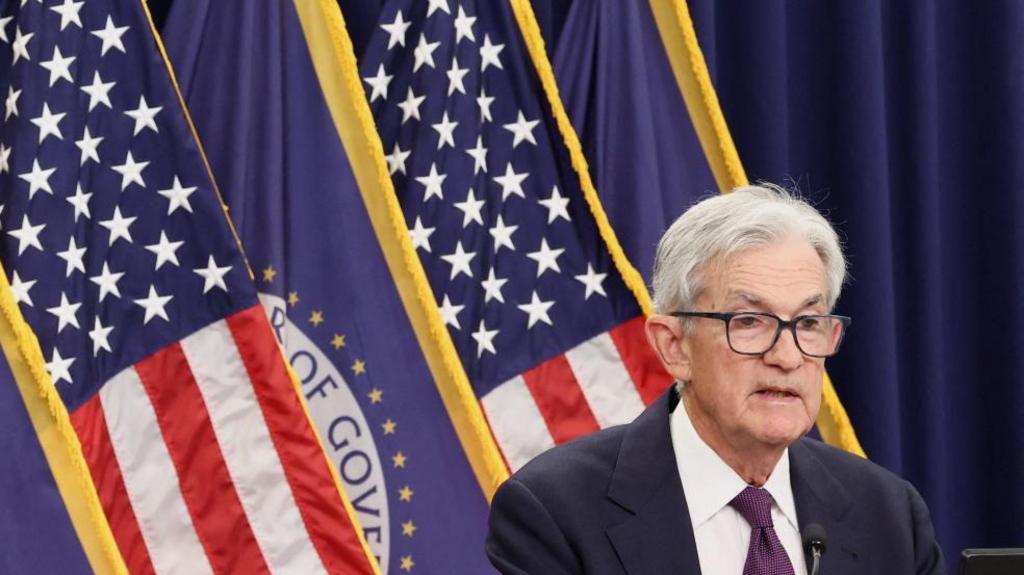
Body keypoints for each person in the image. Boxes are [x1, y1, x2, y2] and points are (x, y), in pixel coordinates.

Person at [486, 185, 944, 574]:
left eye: (808, 324)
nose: (787, 357)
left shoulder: (889, 515)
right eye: (749, 321)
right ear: (674, 345)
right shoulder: (555, 511)